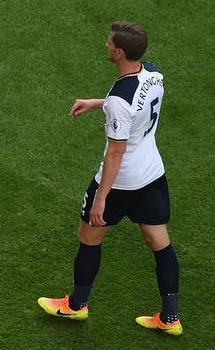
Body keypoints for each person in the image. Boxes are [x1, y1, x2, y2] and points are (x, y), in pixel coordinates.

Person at [38, 22, 182, 336]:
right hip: (152, 175)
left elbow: (115, 152)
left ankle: (76, 306)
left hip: (119, 182)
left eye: (108, 43)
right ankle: (170, 318)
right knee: (160, 243)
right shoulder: (154, 74)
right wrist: (97, 103)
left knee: (90, 236)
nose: (105, 45)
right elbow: (136, 108)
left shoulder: (120, 98)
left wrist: (101, 198)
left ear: (119, 52)